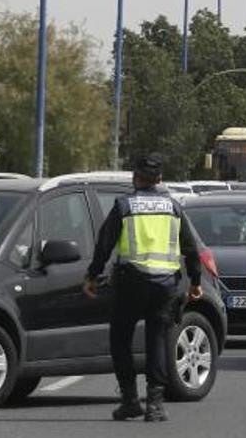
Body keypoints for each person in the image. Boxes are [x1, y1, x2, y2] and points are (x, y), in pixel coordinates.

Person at [83, 153, 203, 423]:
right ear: (160, 179)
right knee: (157, 340)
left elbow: (105, 244)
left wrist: (92, 276)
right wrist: (195, 282)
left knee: (120, 340)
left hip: (131, 284)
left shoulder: (124, 206)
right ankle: (155, 404)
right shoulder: (173, 207)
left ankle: (129, 400)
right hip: (165, 286)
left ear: (136, 178)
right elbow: (190, 249)